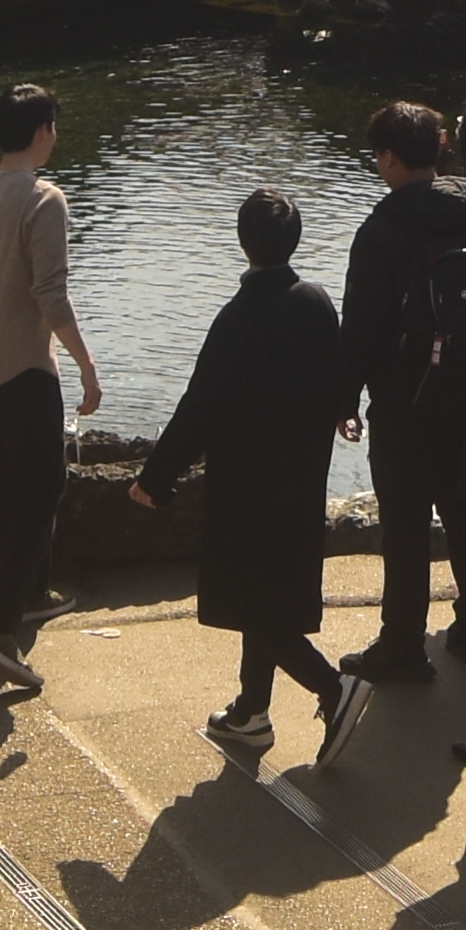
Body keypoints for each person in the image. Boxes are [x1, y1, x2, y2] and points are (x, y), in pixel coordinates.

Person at [138, 186, 367, 765]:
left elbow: (201, 407)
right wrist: (345, 410)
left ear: (243, 243)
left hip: (247, 481)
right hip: (303, 474)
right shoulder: (314, 300)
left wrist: (156, 477)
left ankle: (333, 689)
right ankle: (251, 710)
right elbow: (341, 366)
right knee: (273, 592)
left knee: (251, 600)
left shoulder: (238, 318)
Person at [343, 101, 466, 682]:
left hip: (404, 400)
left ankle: (403, 647)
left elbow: (361, 327)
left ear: (390, 158)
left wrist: (346, 400)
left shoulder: (382, 231)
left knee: (407, 526)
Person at [0, 80, 101, 687]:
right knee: (43, 491)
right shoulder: (44, 198)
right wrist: (87, 366)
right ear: (42, 132)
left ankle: (28, 596)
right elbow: (51, 296)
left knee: (16, 488)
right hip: (26, 371)